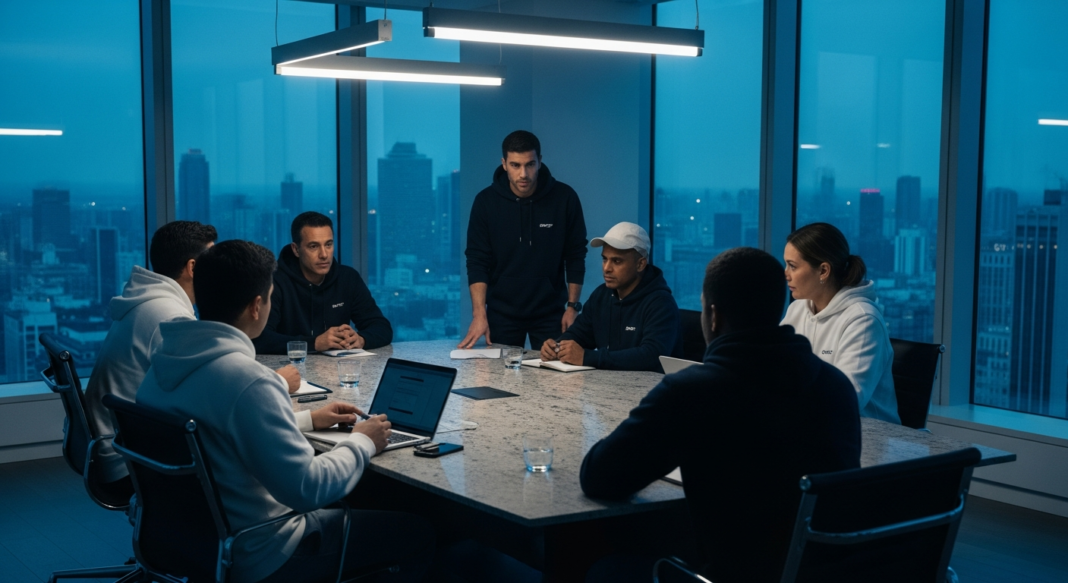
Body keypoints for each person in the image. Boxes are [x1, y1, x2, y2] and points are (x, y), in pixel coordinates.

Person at [137, 240, 432, 583]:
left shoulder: (162, 366)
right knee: (421, 530)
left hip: (192, 541)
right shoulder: (247, 381)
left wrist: (308, 419)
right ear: (257, 306)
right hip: (267, 552)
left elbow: (220, 430)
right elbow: (308, 489)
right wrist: (363, 441)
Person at [580, 247, 861, 583]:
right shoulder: (836, 386)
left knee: (603, 568)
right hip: (817, 573)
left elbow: (599, 477)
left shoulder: (692, 392)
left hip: (728, 574)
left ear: (713, 316)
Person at [82, 221, 232, 491]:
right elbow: (206, 396)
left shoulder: (147, 301)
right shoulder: (168, 316)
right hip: (129, 461)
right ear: (193, 267)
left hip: (115, 445)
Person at [459, 130, 588, 350]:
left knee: (555, 371)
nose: (523, 174)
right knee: (499, 371)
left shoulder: (565, 198)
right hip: (501, 313)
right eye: (515, 165)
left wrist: (572, 307)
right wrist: (479, 314)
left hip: (551, 312)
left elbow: (575, 255)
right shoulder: (485, 202)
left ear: (540, 161)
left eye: (530, 164)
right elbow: (477, 260)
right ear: (504, 164)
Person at [781, 222, 900, 423]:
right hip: (810, 424)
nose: (786, 274)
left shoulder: (863, 320)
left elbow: (846, 399)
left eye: (792, 266)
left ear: (823, 270)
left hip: (865, 433)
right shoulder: (797, 309)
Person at [540, 222, 679, 372]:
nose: (606, 268)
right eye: (604, 259)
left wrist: (588, 357)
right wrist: (557, 347)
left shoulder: (661, 303)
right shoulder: (601, 295)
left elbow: (652, 356)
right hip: (608, 383)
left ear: (640, 264)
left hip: (651, 385)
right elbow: (578, 334)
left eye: (617, 261)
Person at [253, 211, 393, 354]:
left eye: (328, 245)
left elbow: (381, 327)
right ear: (296, 249)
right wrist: (315, 343)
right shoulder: (274, 282)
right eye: (313, 246)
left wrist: (361, 339)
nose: (324, 255)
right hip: (288, 366)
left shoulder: (348, 278)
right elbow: (259, 338)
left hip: (338, 365)